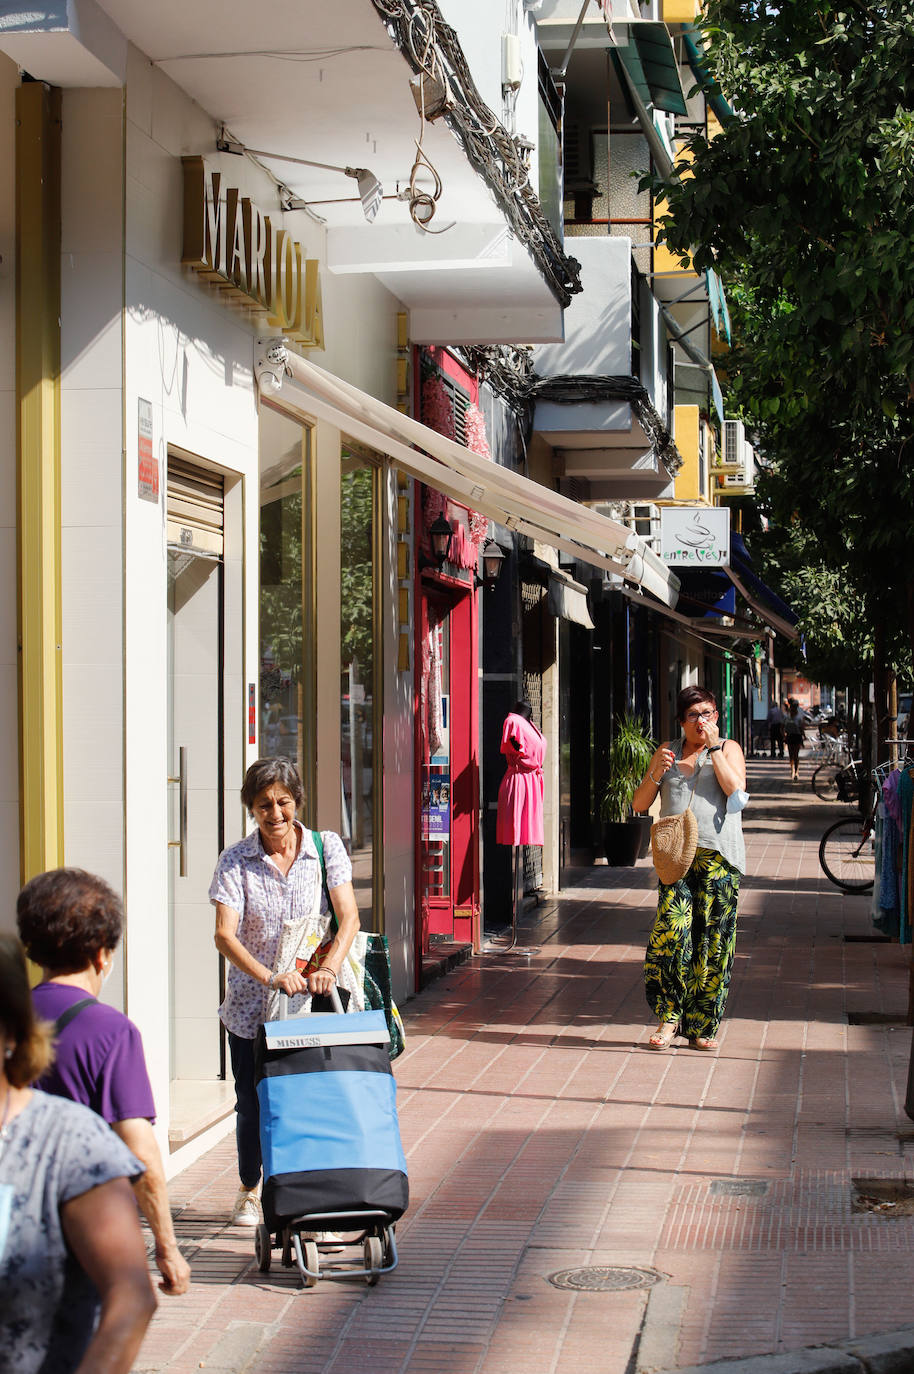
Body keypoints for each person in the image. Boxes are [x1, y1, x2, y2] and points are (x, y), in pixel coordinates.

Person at [17, 868, 191, 1296]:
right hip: (78, 1237)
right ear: (101, 954)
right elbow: (139, 1150)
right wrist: (167, 1247)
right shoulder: (109, 1031)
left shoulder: (10, 1019)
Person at [210, 756, 361, 1225]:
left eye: (283, 802)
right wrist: (268, 977)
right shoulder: (236, 860)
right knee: (252, 1100)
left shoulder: (325, 847)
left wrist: (329, 969)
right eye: (262, 805)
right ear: (250, 809)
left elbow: (349, 917)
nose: (274, 814)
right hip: (252, 1007)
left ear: (296, 801)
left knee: (308, 1094)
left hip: (308, 1005)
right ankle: (250, 1189)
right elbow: (224, 935)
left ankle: (306, 1185)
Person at [0, 934, 156, 1373]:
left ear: (12, 1028)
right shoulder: (111, 1029)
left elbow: (131, 1296)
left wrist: (165, 1244)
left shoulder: (71, 1141)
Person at [632, 686, 747, 1053]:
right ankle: (668, 1019)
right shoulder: (666, 752)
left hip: (720, 858)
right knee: (673, 935)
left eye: (708, 713)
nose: (702, 721)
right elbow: (638, 804)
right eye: (695, 715)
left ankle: (701, 1025)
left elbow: (737, 795)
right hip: (676, 859)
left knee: (713, 942)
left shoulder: (728, 748)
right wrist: (654, 772)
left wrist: (714, 751)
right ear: (681, 721)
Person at [496, 699, 547, 847]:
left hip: (531, 780)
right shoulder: (513, 722)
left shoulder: (529, 724)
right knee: (517, 825)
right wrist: (521, 751)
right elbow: (515, 744)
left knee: (526, 825)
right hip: (519, 780)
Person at [783, 697, 807, 781]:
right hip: (790, 737)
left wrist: (803, 736)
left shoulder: (798, 718)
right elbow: (783, 726)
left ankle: (796, 771)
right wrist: (783, 735)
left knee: (796, 755)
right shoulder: (787, 717)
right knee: (791, 755)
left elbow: (801, 728)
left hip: (797, 737)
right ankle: (792, 770)